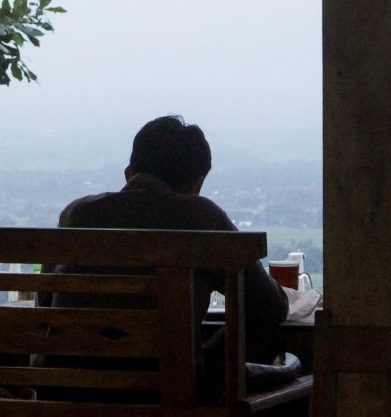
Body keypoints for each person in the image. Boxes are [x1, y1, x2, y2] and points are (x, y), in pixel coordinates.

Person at [50, 115, 290, 392]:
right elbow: (271, 307)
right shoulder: (201, 217)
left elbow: (46, 304)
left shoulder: (76, 214)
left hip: (64, 389)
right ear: (196, 184)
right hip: (163, 393)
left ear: (129, 173)